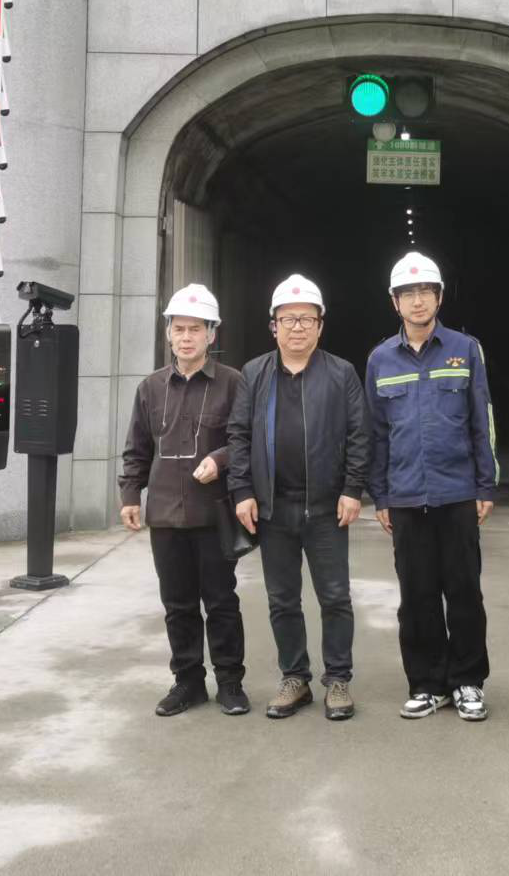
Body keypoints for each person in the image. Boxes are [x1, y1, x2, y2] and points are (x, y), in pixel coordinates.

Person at [196, 274, 368, 721]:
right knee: (282, 599)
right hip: (273, 508)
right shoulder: (256, 373)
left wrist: (352, 489)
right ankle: (295, 678)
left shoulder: (341, 373)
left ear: (320, 325)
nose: (297, 327)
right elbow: (238, 434)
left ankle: (338, 680)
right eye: (288, 319)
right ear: (273, 325)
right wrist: (242, 491)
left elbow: (358, 435)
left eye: (306, 319)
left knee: (335, 597)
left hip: (327, 508)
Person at [365, 251, 498, 721]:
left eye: (425, 291)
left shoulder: (466, 349)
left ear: (439, 297)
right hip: (404, 496)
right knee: (416, 596)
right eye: (408, 293)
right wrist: (379, 495)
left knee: (464, 593)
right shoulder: (380, 359)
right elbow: (376, 433)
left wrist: (485, 485)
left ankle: (467, 681)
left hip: (457, 493)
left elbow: (481, 421)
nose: (417, 301)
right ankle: (426, 684)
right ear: (395, 302)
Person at [118, 284, 248, 718]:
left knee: (221, 601)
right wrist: (130, 494)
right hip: (166, 516)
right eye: (179, 329)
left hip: (213, 514)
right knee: (177, 605)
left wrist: (220, 459)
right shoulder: (150, 388)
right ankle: (188, 682)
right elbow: (137, 447)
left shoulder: (232, 383)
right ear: (169, 334)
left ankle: (230, 682)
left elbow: (244, 439)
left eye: (196, 329)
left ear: (212, 334)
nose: (186, 337)